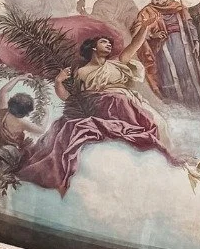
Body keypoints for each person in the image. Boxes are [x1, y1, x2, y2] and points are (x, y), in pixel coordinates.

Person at [19, 29, 184, 196]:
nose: (109, 45)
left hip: (127, 100)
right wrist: (58, 81)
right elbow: (69, 97)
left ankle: (170, 159)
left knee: (159, 122)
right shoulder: (81, 72)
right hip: (101, 103)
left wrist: (145, 27)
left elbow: (134, 45)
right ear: (93, 48)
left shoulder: (117, 62)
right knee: (120, 106)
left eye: (109, 43)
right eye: (103, 42)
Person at [132, 0, 200, 109]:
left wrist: (196, 42)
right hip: (163, 50)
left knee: (188, 75)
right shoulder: (147, 11)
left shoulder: (178, 7)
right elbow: (137, 30)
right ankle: (177, 108)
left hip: (184, 48)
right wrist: (152, 36)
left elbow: (189, 25)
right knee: (169, 77)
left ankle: (196, 106)